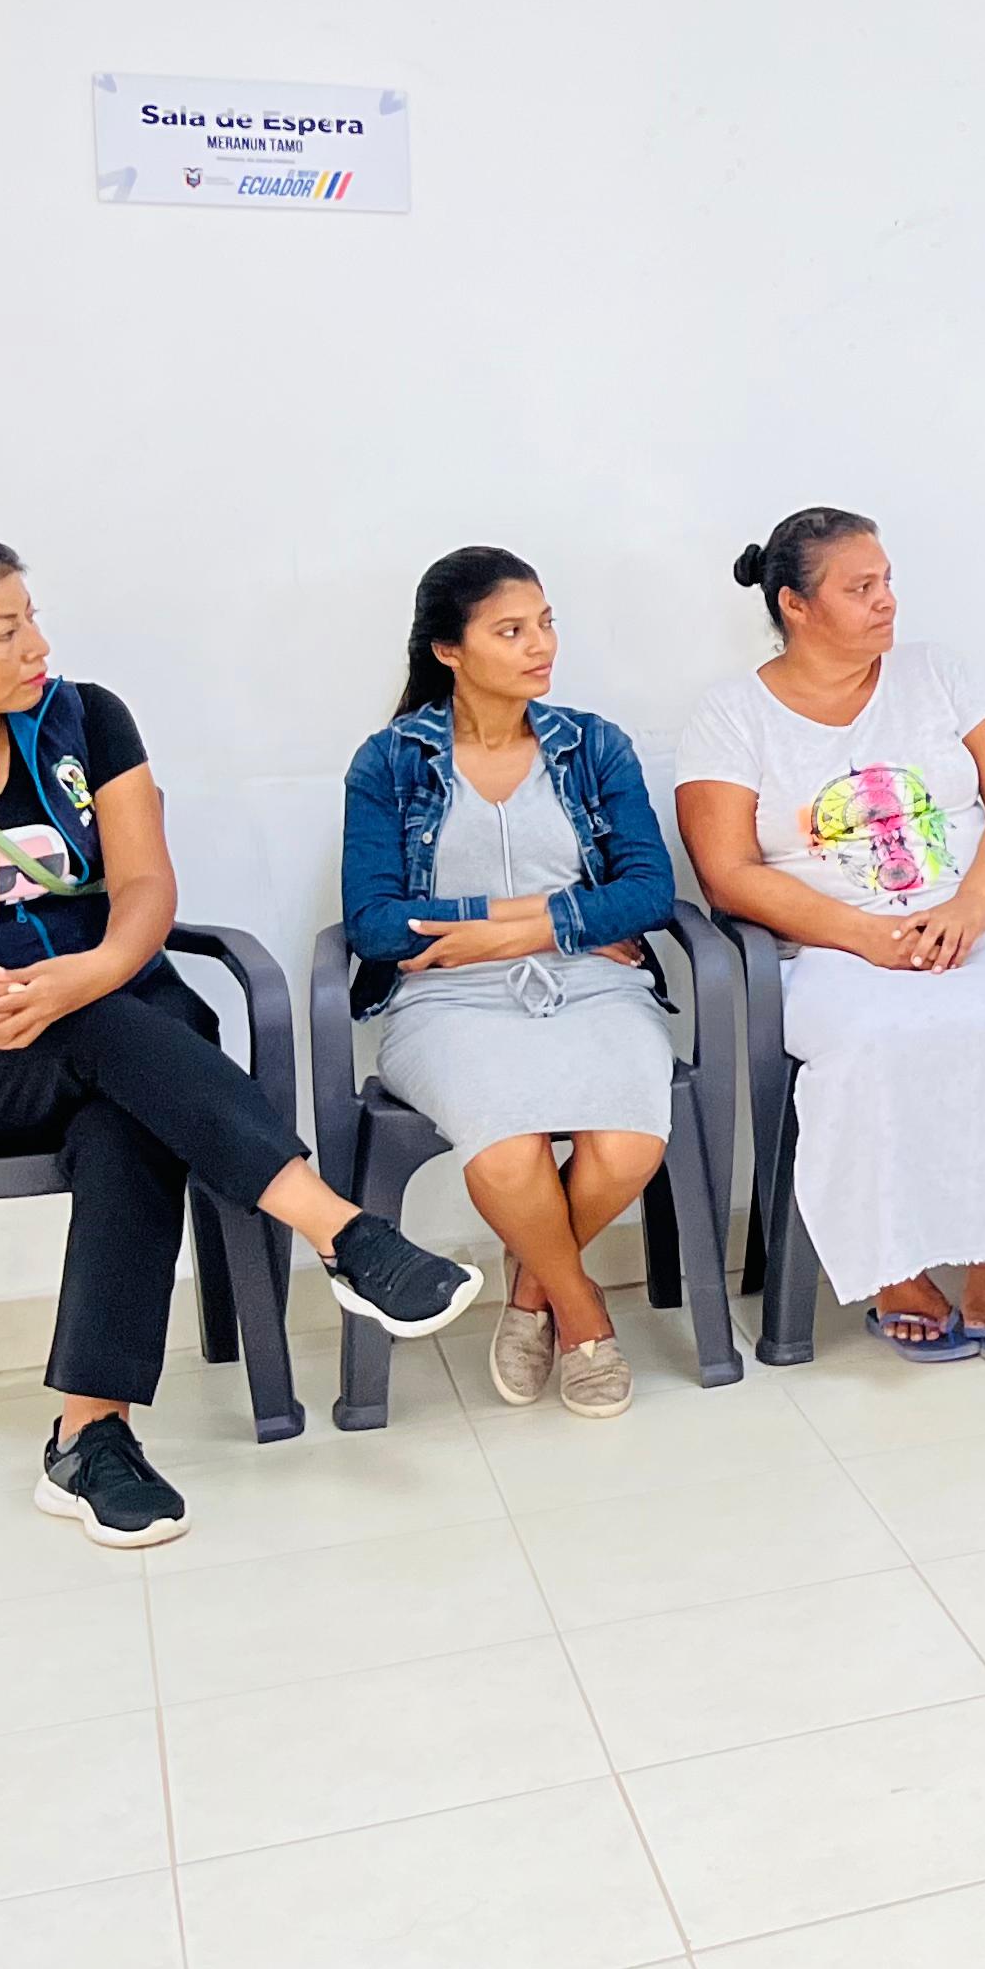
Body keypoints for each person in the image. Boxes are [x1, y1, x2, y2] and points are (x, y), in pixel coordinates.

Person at [0, 524, 479, 1549]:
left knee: (128, 1101)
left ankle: (90, 1438)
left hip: (116, 1009)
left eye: (31, 617)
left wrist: (86, 973)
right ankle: (343, 1234)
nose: (37, 645)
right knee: (129, 1057)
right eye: (3, 630)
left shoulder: (87, 719)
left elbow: (144, 888)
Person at [671, 509, 985, 1362]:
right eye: (861, 588)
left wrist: (971, 906)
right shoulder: (732, 714)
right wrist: (863, 936)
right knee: (876, 1042)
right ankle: (897, 1270)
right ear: (795, 605)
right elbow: (726, 872)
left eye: (887, 580)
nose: (887, 601)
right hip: (830, 946)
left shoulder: (940, 674)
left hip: (980, 922)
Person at [339, 549, 679, 1420]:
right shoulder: (390, 763)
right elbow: (375, 923)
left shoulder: (594, 746)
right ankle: (583, 1315)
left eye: (546, 623)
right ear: (449, 650)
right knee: (505, 1150)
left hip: (593, 984)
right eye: (512, 630)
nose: (542, 646)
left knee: (628, 1145)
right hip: (445, 1001)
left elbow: (649, 891)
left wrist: (522, 929)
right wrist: (559, 916)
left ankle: (531, 1289)